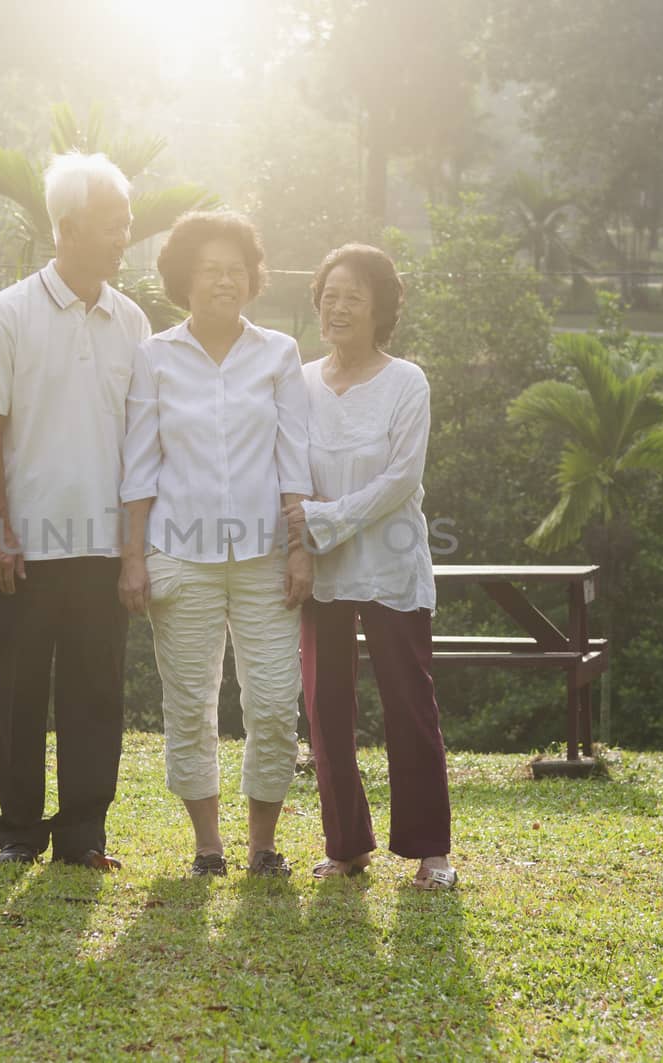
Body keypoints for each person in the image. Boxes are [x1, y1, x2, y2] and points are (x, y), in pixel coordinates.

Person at [0, 152, 150, 870]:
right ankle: (19, 835)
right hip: (20, 547)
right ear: (66, 227)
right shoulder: (5, 315)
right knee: (19, 694)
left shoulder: (132, 322)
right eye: (111, 225)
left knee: (96, 693)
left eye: (126, 224)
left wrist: (134, 551)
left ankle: (83, 835)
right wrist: (0, 532)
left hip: (99, 546)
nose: (124, 237)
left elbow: (141, 444)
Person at [119, 211, 313, 878]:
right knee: (190, 704)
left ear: (253, 278)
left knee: (272, 702)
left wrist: (299, 547)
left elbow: (294, 460)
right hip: (180, 555)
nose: (224, 280)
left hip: (265, 558)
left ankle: (264, 845)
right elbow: (139, 465)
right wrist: (133, 556)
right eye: (210, 269)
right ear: (184, 279)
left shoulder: (279, 353)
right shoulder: (155, 357)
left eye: (236, 269)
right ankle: (208, 846)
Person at [284, 243, 456, 890]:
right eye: (329, 293)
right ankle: (346, 843)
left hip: (389, 565)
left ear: (380, 307)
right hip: (321, 574)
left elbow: (399, 481)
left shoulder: (407, 382)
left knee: (409, 703)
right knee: (326, 707)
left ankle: (430, 849)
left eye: (353, 295)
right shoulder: (299, 381)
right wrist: (305, 542)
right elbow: (290, 469)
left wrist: (322, 522)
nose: (338, 305)